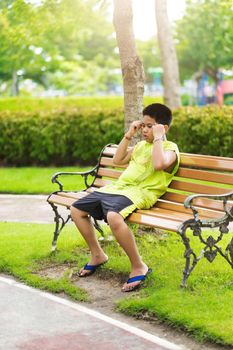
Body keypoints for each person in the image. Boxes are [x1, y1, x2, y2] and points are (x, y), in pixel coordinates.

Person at [71, 103, 180, 292]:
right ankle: (97, 255)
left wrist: (159, 138)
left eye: (149, 126)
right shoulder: (139, 146)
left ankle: (138, 265)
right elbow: (117, 160)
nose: (144, 130)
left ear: (163, 128)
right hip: (118, 189)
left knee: (114, 216)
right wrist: (129, 134)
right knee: (77, 209)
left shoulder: (170, 149)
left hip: (140, 193)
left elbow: (159, 163)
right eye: (143, 125)